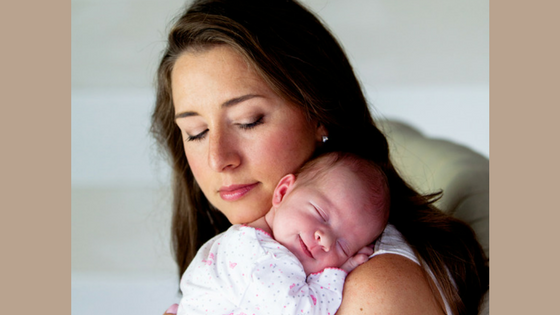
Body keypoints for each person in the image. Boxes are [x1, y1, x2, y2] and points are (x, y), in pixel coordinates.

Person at [151, 0, 489, 314]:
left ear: (319, 114)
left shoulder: (374, 290)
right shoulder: (239, 258)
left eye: (248, 121)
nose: (218, 158)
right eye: (196, 132)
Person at [177, 152, 390, 314]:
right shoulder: (261, 256)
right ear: (283, 192)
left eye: (343, 247)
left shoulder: (245, 242)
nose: (325, 239)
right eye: (320, 214)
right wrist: (339, 272)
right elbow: (301, 310)